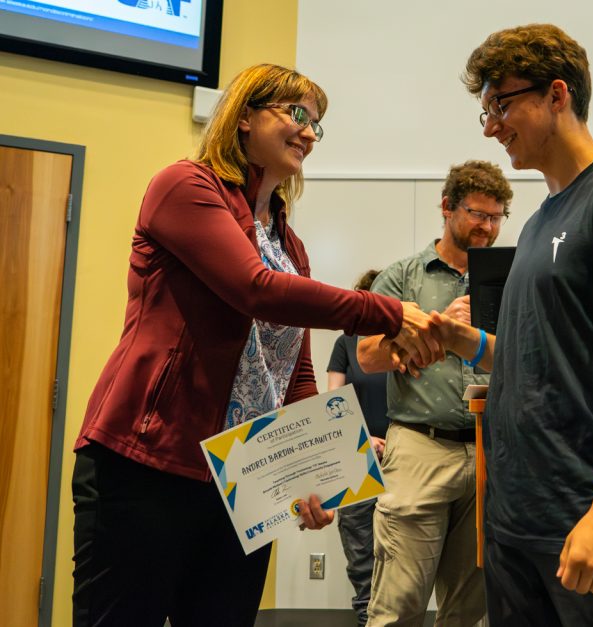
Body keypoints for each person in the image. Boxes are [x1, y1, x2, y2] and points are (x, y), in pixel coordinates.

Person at [70, 63, 442, 627]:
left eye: (316, 124)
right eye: (297, 114)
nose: (310, 133)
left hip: (241, 481)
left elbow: (294, 372)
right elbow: (255, 289)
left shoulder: (289, 244)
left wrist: (317, 469)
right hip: (148, 461)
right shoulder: (186, 186)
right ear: (244, 116)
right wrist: (386, 312)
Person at [420, 23, 593, 627]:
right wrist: (467, 342)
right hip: (517, 529)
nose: (490, 127)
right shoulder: (539, 220)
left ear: (557, 94)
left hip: (591, 524)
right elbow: (540, 358)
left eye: (501, 104)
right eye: (486, 110)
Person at [357, 159, 513, 626]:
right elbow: (367, 355)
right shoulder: (403, 276)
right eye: (477, 214)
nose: (488, 227)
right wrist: (440, 326)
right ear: (447, 207)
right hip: (419, 448)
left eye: (497, 217)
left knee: (469, 610)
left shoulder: (513, 277)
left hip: (489, 449)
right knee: (399, 605)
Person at [327, 269, 388, 627]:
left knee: (399, 549)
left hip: (402, 455)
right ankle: (367, 617)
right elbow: (332, 404)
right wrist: (364, 437)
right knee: (360, 548)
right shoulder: (345, 343)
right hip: (356, 454)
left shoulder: (402, 344)